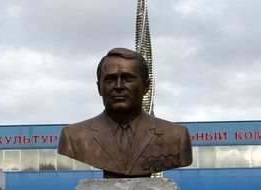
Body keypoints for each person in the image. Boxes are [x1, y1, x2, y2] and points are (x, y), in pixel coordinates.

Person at [57, 48, 193, 178]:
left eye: (128, 78)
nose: (118, 86)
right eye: (110, 79)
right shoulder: (72, 137)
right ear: (99, 88)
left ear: (146, 86)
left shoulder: (177, 137)